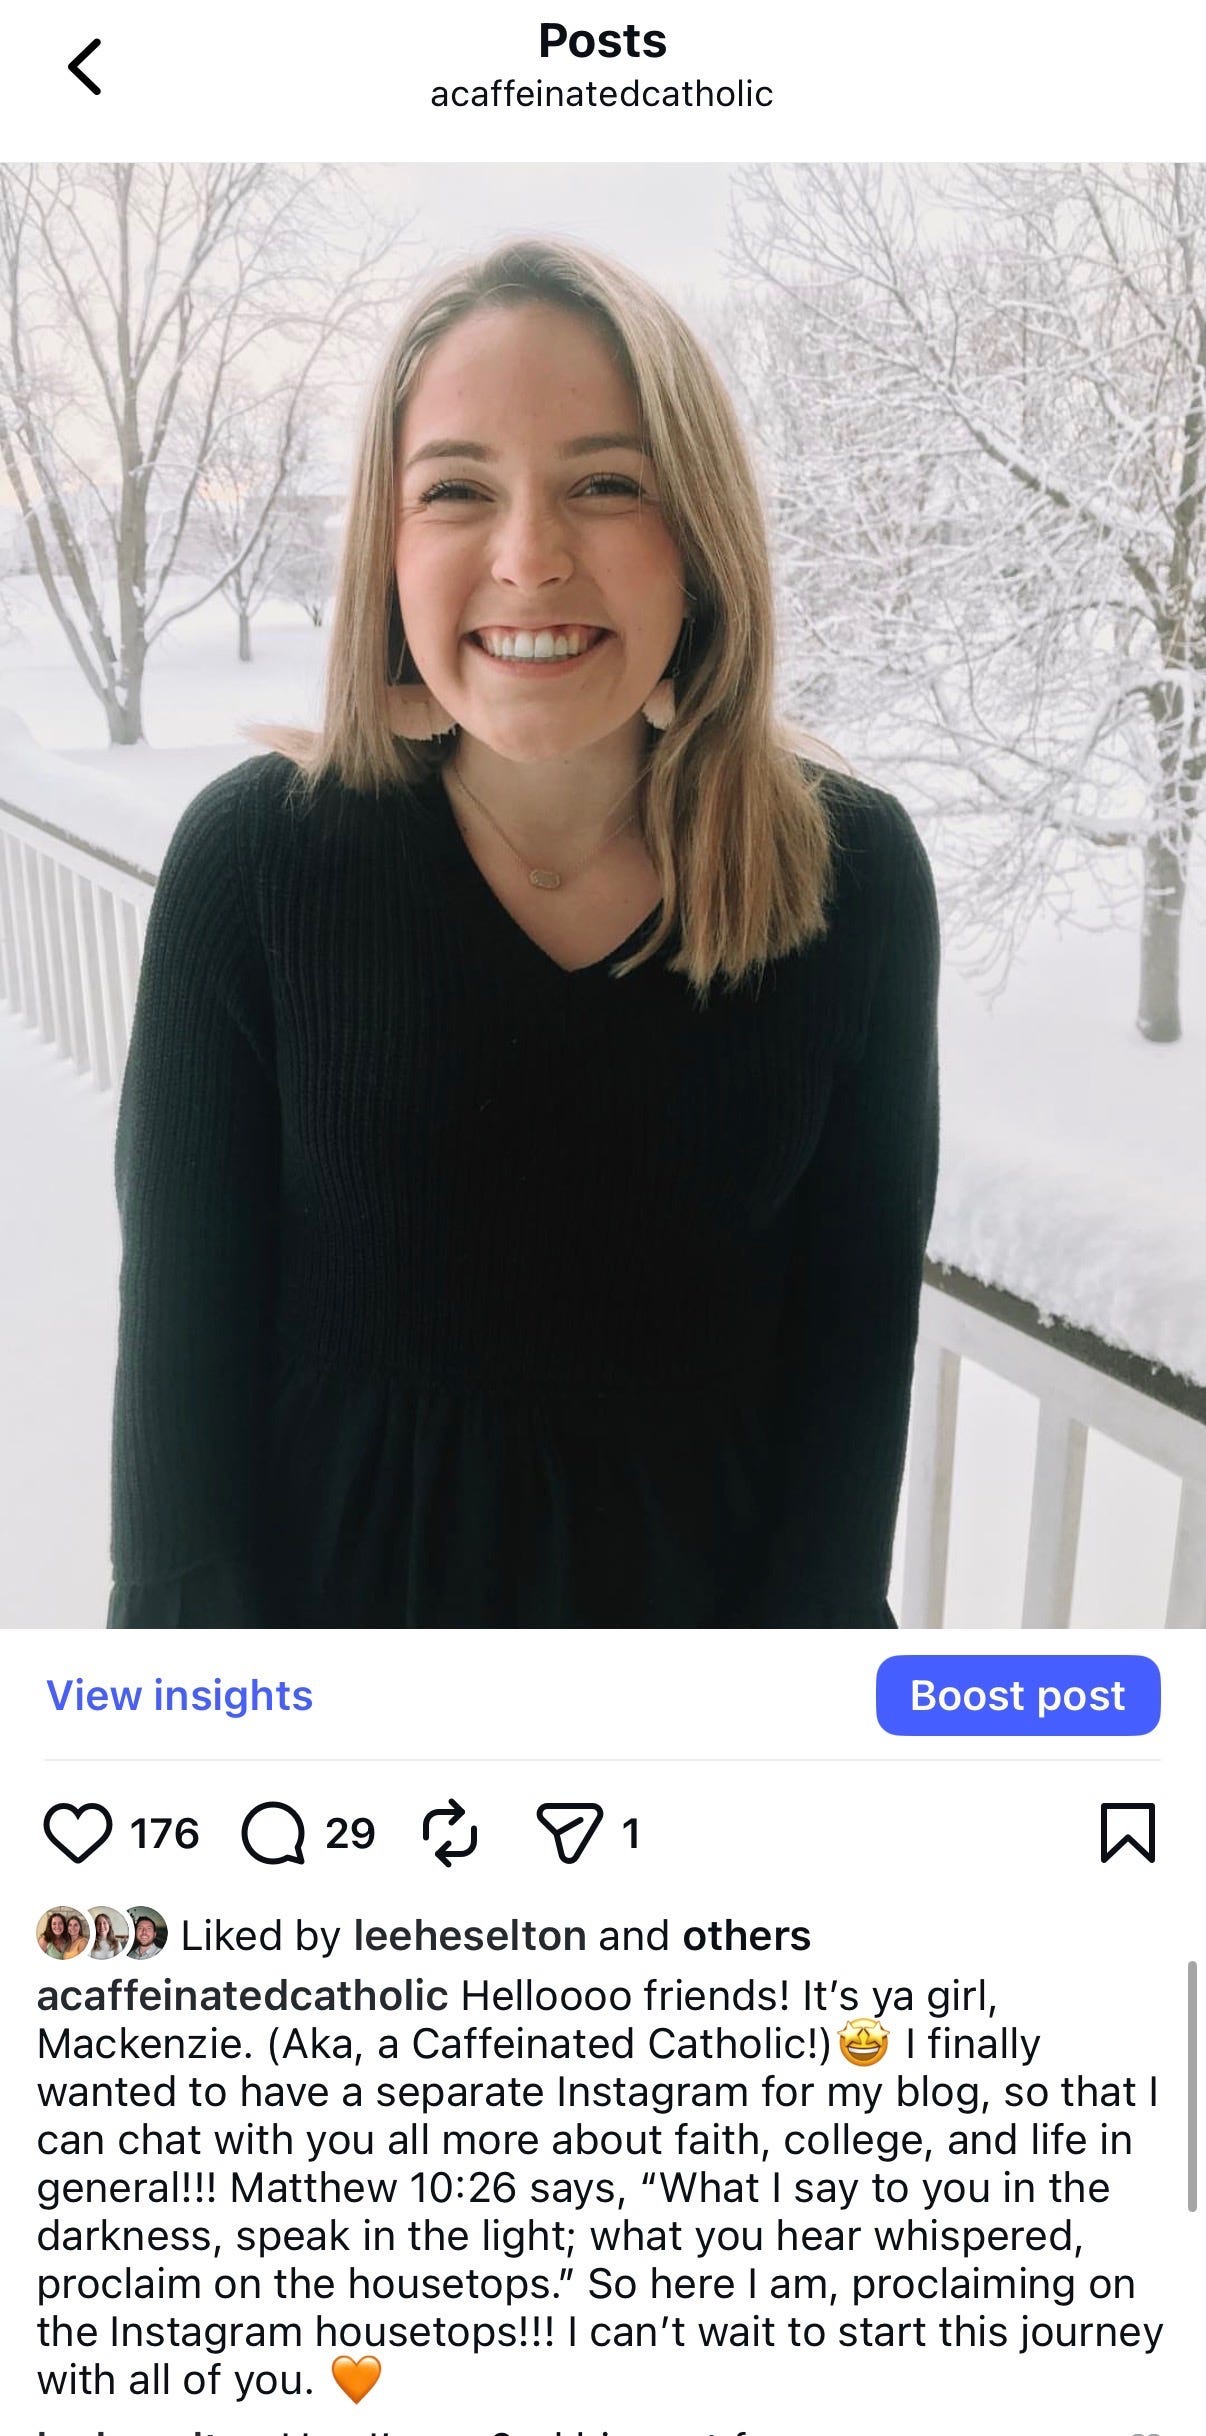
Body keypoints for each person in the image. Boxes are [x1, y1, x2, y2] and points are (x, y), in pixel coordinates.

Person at [108, 238, 939, 1632]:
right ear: (387, 546)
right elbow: (177, 1415)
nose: (529, 557)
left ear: (700, 532)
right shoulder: (254, 863)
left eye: (606, 485)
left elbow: (853, 1364)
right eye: (456, 490)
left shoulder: (848, 877)